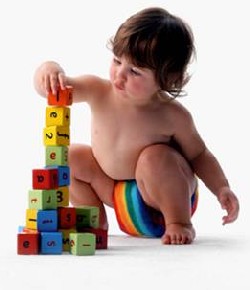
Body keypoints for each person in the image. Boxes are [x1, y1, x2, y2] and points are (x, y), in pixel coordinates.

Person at [34, 7, 239, 245]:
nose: (119, 75)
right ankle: (93, 222)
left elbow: (200, 155)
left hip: (161, 200)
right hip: (116, 194)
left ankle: (181, 224)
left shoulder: (173, 115)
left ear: (168, 79)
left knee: (154, 157)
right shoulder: (98, 90)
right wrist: (48, 70)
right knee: (70, 156)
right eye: (117, 60)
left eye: (135, 71)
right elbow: (54, 90)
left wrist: (222, 188)